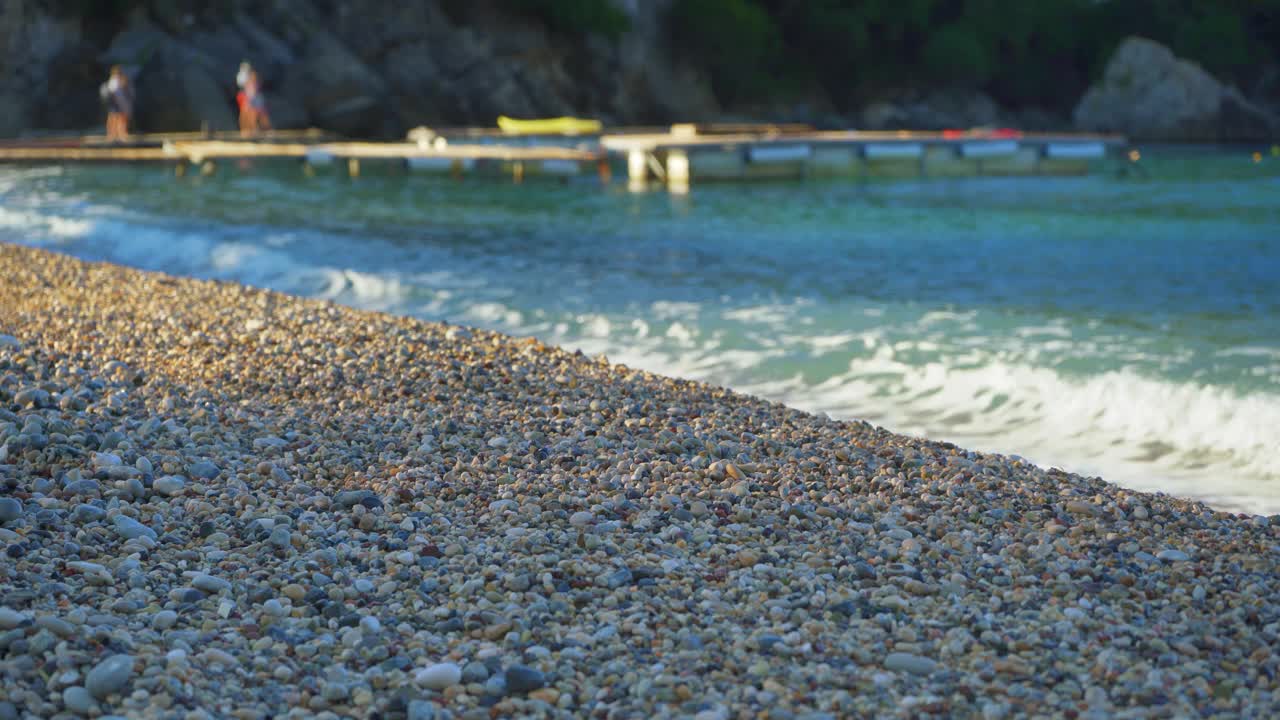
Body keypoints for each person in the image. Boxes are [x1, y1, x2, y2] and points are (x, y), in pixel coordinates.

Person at [99, 65, 134, 142]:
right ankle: (116, 135)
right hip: (116, 103)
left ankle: (117, 135)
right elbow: (115, 93)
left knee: (117, 119)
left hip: (116, 104)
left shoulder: (118, 81)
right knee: (116, 119)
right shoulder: (115, 82)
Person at [236, 62, 271, 136]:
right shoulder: (245, 78)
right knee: (248, 113)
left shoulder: (251, 77)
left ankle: (257, 129)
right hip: (249, 97)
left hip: (252, 97)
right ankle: (249, 130)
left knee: (257, 114)